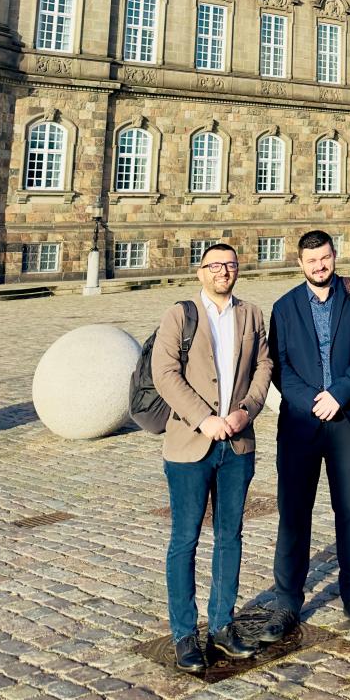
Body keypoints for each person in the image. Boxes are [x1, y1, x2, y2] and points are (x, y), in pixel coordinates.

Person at [150, 243, 272, 673]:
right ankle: (185, 633)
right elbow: (163, 373)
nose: (224, 271)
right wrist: (203, 418)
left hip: (238, 445)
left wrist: (246, 411)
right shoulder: (180, 315)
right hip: (190, 445)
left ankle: (222, 625)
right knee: (184, 539)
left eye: (230, 264)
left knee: (230, 536)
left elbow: (263, 367)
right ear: (200, 272)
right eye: (215, 265)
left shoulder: (252, 314)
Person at [261, 231, 350, 643]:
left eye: (325, 258)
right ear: (300, 263)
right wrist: (313, 400)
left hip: (347, 418)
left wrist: (339, 394)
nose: (319, 266)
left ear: (334, 256)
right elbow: (280, 365)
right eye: (312, 261)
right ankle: (287, 600)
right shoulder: (284, 307)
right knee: (294, 515)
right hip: (301, 422)